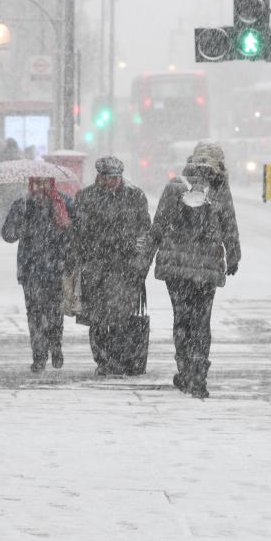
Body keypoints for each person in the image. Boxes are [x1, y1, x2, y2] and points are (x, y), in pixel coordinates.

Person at [146, 140, 240, 398]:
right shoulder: (220, 189)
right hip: (206, 268)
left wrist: (144, 260)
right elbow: (229, 225)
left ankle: (185, 368)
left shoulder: (176, 186)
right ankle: (199, 372)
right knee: (202, 321)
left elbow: (159, 224)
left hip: (176, 268)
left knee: (182, 318)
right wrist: (233, 256)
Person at [71, 156, 151, 376]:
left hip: (125, 268)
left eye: (115, 178)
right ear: (99, 176)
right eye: (108, 178)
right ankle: (104, 360)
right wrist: (83, 260)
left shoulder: (135, 196)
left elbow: (145, 231)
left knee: (122, 317)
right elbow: (78, 234)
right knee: (97, 319)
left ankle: (121, 358)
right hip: (96, 267)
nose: (112, 182)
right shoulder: (86, 197)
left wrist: (140, 263)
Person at [1, 176, 73, 372]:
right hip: (30, 269)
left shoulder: (63, 202)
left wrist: (66, 227)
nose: (41, 188)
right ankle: (39, 356)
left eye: (45, 183)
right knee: (34, 313)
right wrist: (22, 225)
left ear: (51, 183)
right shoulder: (22, 205)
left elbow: (74, 231)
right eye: (37, 183)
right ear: (31, 184)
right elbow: (7, 234)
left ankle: (55, 345)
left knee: (55, 311)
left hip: (55, 268)